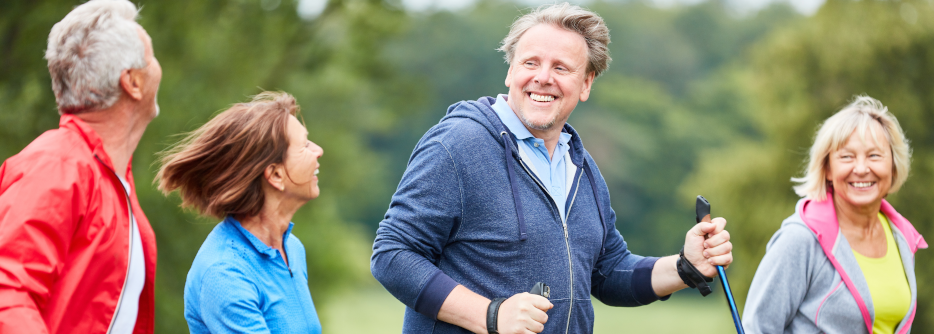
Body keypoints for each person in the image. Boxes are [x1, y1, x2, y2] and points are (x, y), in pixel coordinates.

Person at [370, 3, 734, 333]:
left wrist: (686, 266)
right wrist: (491, 314)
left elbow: (608, 271)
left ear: (586, 83)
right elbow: (393, 254)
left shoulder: (581, 166)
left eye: (561, 67)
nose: (543, 78)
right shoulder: (457, 145)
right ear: (510, 71)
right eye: (530, 63)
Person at [0, 0, 162, 333]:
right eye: (152, 58)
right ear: (132, 82)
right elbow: (5, 297)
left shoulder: (110, 182)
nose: (159, 68)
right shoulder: (56, 165)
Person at [742, 96, 927, 334]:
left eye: (874, 156)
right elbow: (757, 327)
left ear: (892, 166)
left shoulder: (901, 237)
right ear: (828, 168)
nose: (861, 169)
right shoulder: (800, 239)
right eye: (847, 157)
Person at [156, 91, 324, 334]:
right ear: (276, 175)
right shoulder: (225, 273)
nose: (318, 150)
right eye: (305, 145)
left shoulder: (292, 249)